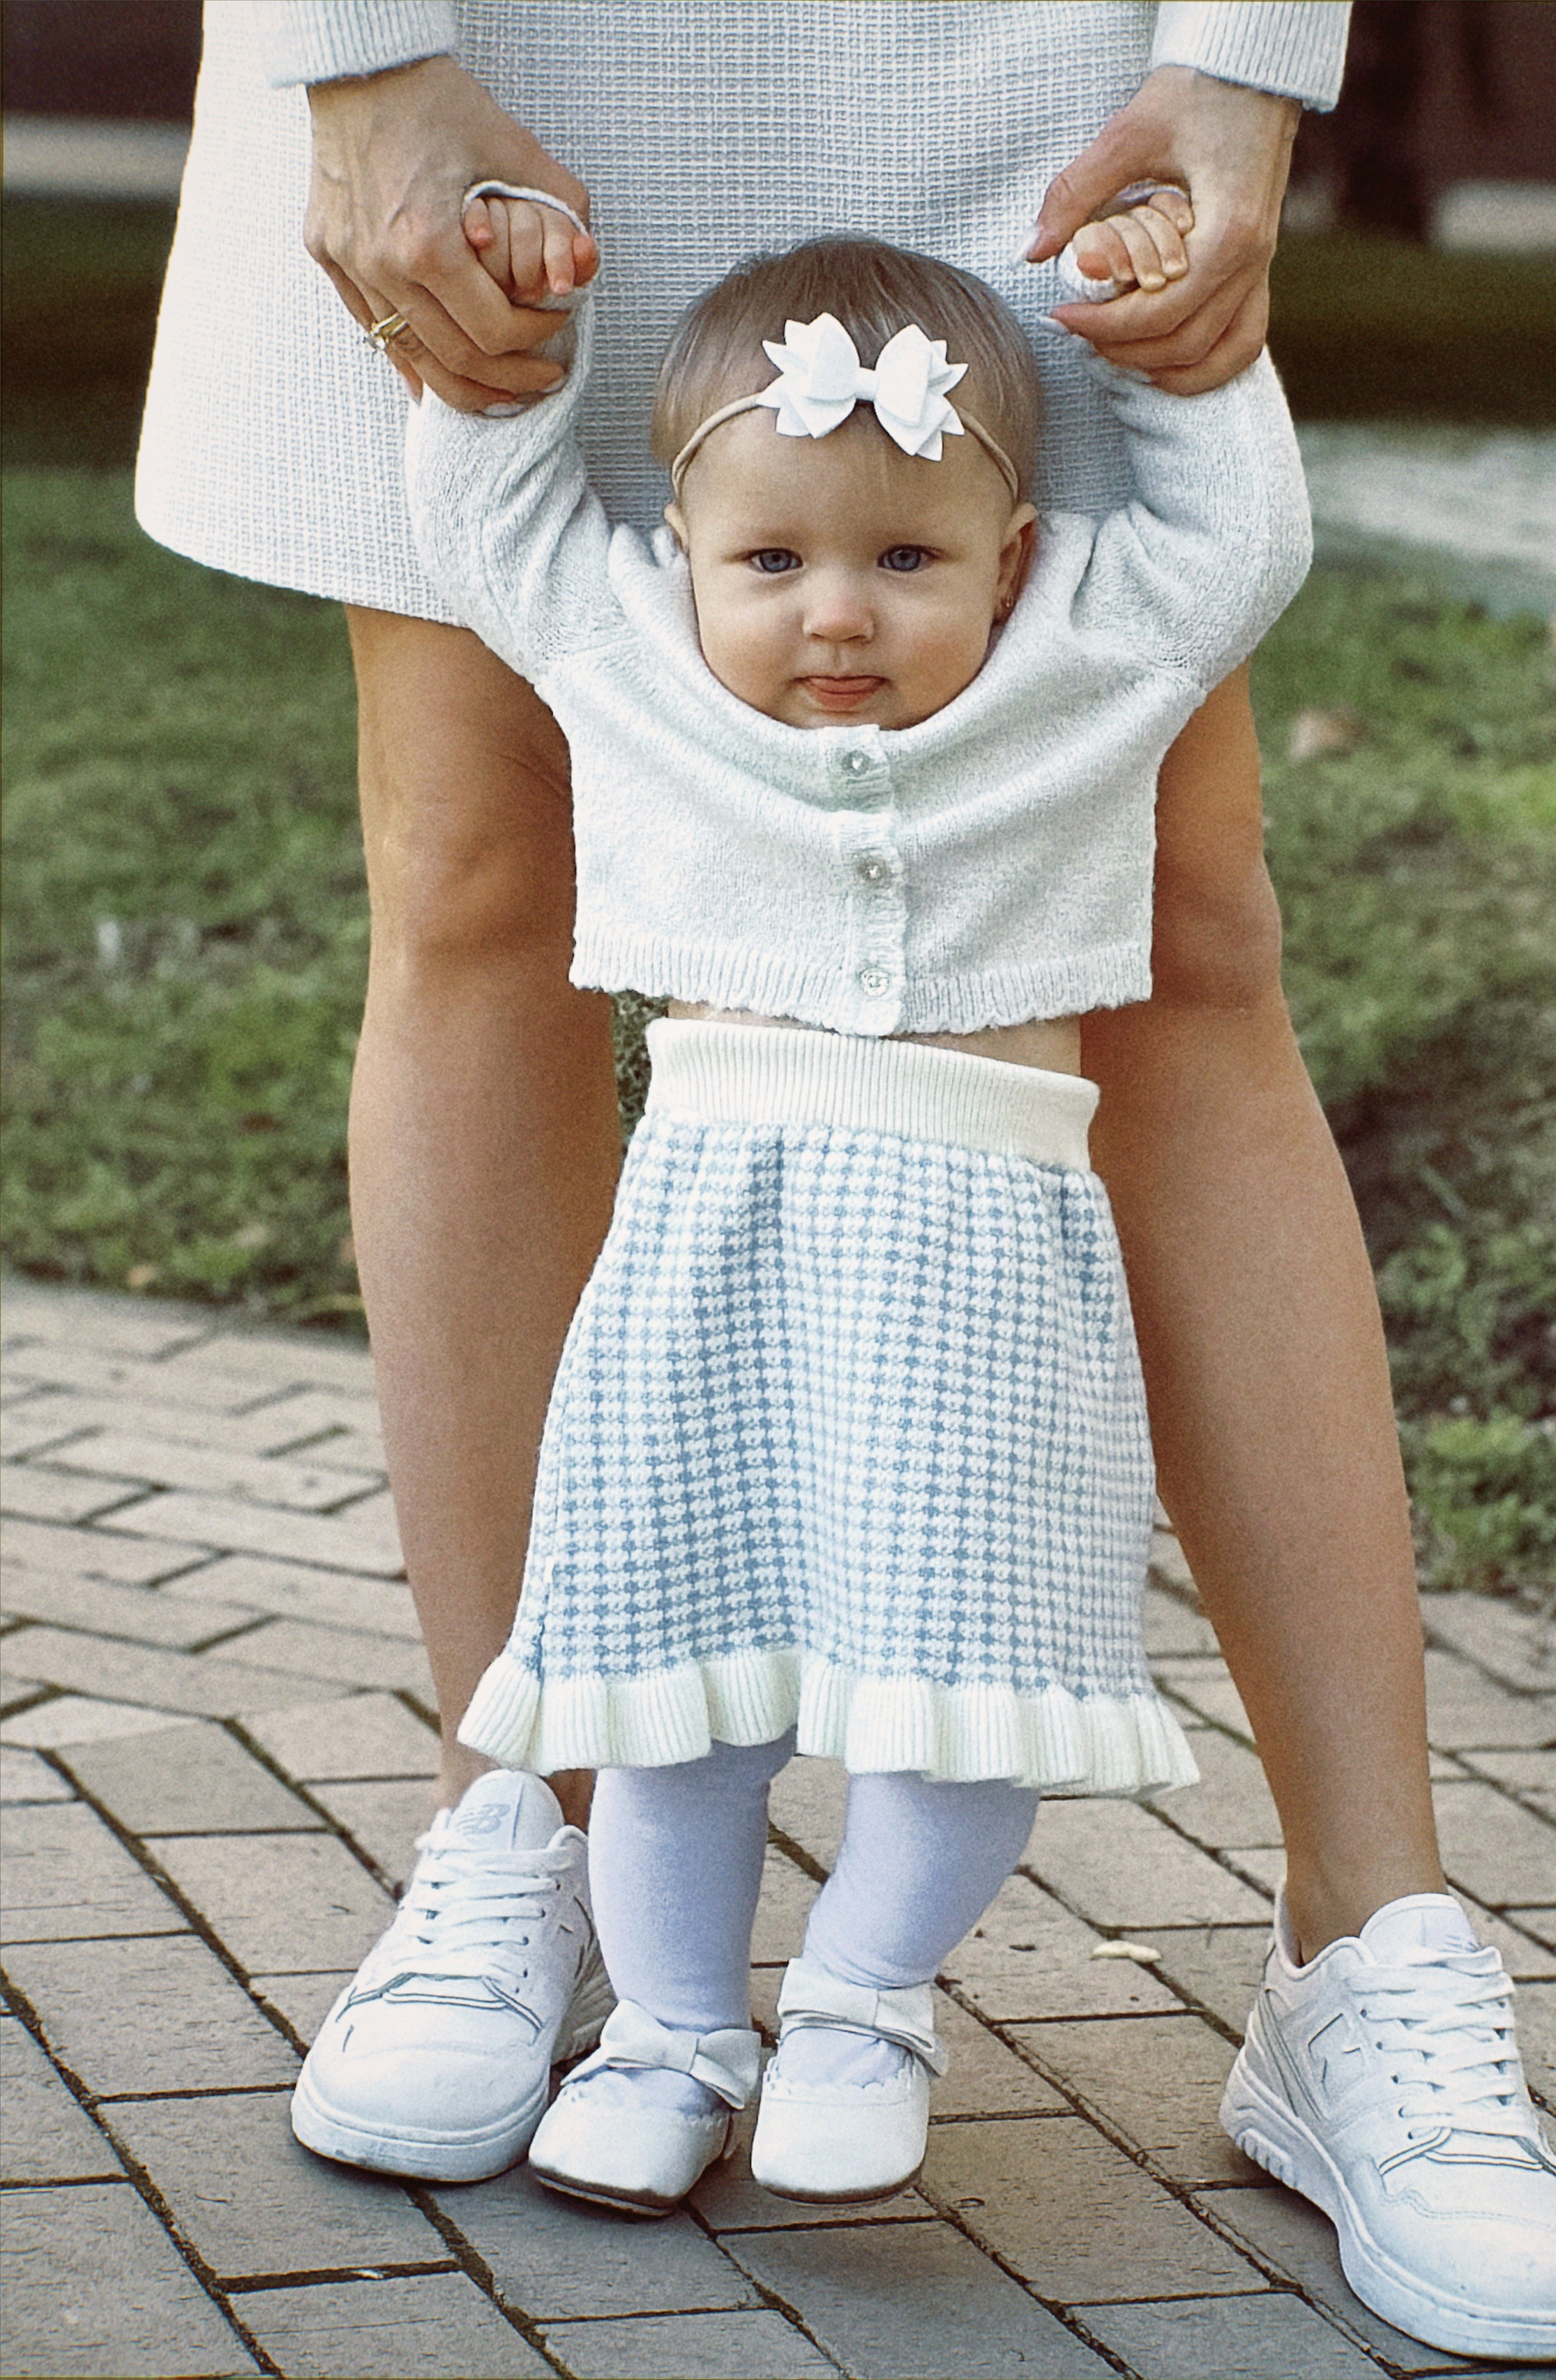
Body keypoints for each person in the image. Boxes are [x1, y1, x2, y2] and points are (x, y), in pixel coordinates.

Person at [135, 4, 1556, 2360]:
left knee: (1185, 931)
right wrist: (365, 52)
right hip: (508, 40)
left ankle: (1373, 1957)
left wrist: (1250, 53)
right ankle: (533, 1834)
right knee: (484, 891)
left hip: (1029, 53)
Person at [376, 196, 1302, 2215]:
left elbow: (1244, 548)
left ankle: (869, 1997)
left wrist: (1198, 362)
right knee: (669, 1684)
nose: (838, 617)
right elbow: (485, 533)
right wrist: (505, 344)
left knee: (967, 1685)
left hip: (988, 1263)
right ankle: (674, 2024)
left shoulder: (1088, 668)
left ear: (1015, 562)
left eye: (906, 560)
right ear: (682, 559)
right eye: (773, 560)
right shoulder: (631, 664)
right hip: (715, 1243)